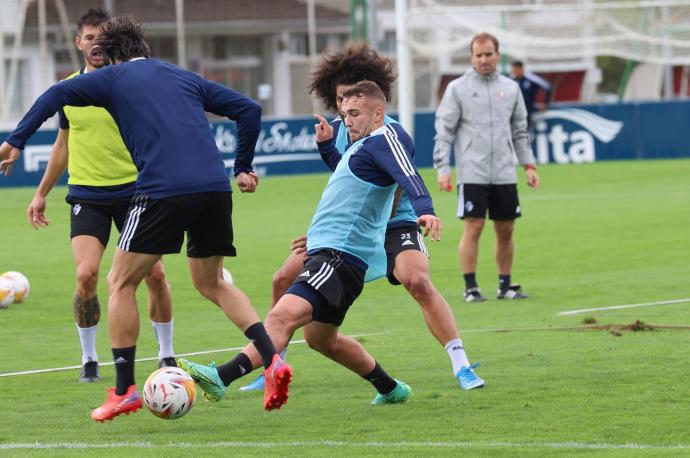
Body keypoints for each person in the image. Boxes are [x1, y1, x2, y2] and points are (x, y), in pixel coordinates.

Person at [0, 15, 289, 421]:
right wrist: (242, 165)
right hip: (214, 189)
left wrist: (15, 140)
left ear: (113, 56)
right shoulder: (182, 76)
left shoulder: (112, 78)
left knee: (119, 281)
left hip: (161, 192)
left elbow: (54, 96)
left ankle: (124, 390)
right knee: (212, 282)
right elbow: (248, 109)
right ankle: (273, 361)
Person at [240, 42, 484, 392]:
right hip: (350, 233)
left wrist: (424, 211)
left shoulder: (392, 130)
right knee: (283, 277)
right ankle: (274, 363)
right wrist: (326, 147)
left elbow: (400, 177)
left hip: (394, 223)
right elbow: (348, 177)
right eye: (339, 100)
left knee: (417, 281)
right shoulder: (343, 126)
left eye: (349, 100)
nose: (344, 107)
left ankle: (461, 364)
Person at [180, 80, 441, 406]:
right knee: (321, 340)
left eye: (355, 113)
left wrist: (425, 210)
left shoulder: (385, 138)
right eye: (345, 114)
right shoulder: (361, 148)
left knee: (279, 319)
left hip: (338, 257)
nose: (348, 120)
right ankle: (390, 388)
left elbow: (408, 173)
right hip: (334, 254)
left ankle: (221, 377)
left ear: (378, 113)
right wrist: (326, 149)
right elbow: (351, 186)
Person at [26, 8, 176, 383]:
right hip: (88, 194)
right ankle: (90, 358)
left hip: (137, 193)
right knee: (86, 275)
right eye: (89, 38)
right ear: (78, 43)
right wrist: (41, 193)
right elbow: (62, 145)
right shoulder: (70, 90)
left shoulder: (131, 84)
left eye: (102, 38)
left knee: (155, 274)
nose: (96, 44)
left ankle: (167, 354)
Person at [433, 32, 540, 303]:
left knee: (506, 229)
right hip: (472, 171)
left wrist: (528, 164)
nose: (484, 59)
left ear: (497, 55)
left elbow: (520, 130)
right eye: (478, 55)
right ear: (471, 57)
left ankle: (505, 286)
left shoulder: (511, 88)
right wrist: (443, 168)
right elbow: (444, 131)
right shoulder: (457, 88)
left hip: (504, 171)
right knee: (475, 226)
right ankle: (471, 287)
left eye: (488, 54)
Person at [509, 60, 552, 127]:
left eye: (515, 70)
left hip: (527, 112)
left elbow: (547, 87)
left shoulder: (531, 79)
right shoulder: (510, 80)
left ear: (520, 69)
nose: (513, 72)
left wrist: (545, 103)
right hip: (512, 112)